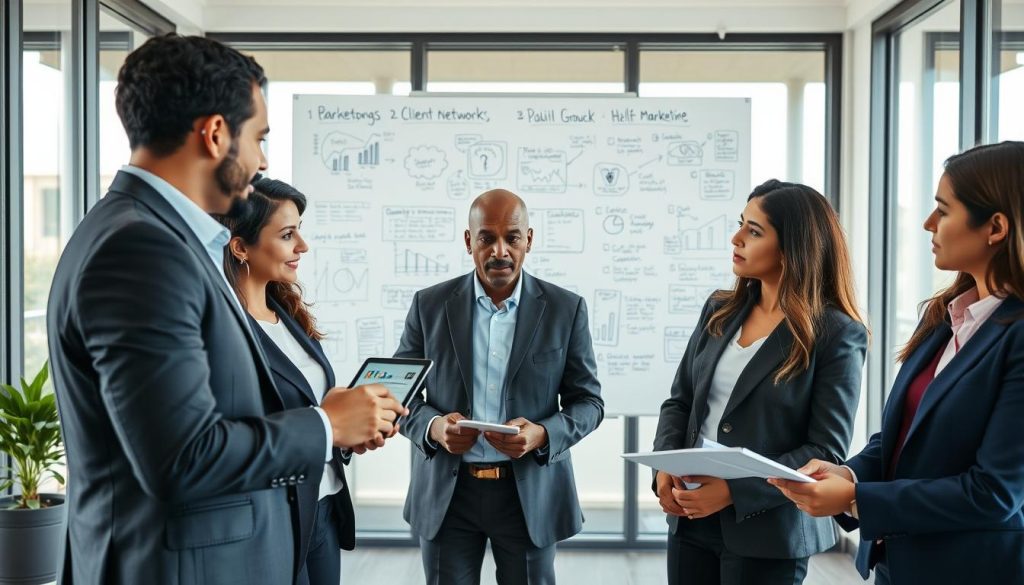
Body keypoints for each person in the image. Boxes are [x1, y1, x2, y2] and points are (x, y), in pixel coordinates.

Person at [46, 34, 405, 585]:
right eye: (258, 138)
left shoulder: (153, 235)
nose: (262, 161)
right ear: (215, 134)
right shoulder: (141, 249)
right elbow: (183, 458)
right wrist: (324, 425)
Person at [770, 141, 1024, 585]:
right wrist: (848, 472)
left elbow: (995, 493)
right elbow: (903, 437)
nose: (929, 224)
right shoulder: (945, 316)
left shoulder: (1018, 336)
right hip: (901, 564)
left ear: (996, 227)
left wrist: (856, 499)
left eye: (943, 211)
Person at [653, 179, 868, 585]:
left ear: (791, 248)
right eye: (741, 224)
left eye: (753, 231)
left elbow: (825, 449)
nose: (736, 238)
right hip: (691, 518)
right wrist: (665, 467)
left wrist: (735, 491)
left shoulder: (837, 334)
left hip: (769, 530)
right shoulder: (719, 309)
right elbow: (679, 402)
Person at [395, 189, 604, 585]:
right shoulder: (429, 305)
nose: (500, 251)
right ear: (468, 241)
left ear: (529, 239)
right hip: (447, 494)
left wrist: (543, 434)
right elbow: (399, 396)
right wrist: (435, 428)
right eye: (487, 238)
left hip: (528, 495)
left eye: (512, 237)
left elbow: (589, 402)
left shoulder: (565, 309)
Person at [217, 177, 358, 585]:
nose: (303, 246)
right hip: (275, 517)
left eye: (300, 231)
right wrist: (329, 424)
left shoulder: (287, 314)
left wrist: (346, 426)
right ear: (240, 246)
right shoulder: (227, 329)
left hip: (323, 504)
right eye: (287, 234)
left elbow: (307, 406)